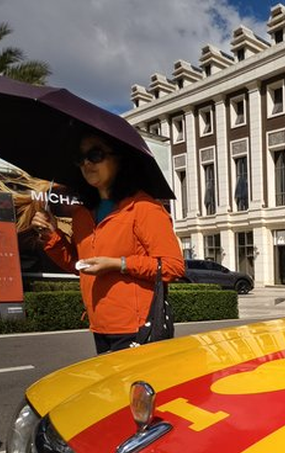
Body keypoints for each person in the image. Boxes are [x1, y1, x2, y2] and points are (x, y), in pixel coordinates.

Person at [31, 132, 184, 354]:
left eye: (95, 155)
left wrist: (119, 264)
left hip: (138, 327)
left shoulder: (144, 208)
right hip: (100, 325)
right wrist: (52, 234)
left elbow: (173, 267)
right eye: (80, 158)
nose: (86, 163)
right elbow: (79, 264)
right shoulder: (82, 214)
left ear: (120, 158)